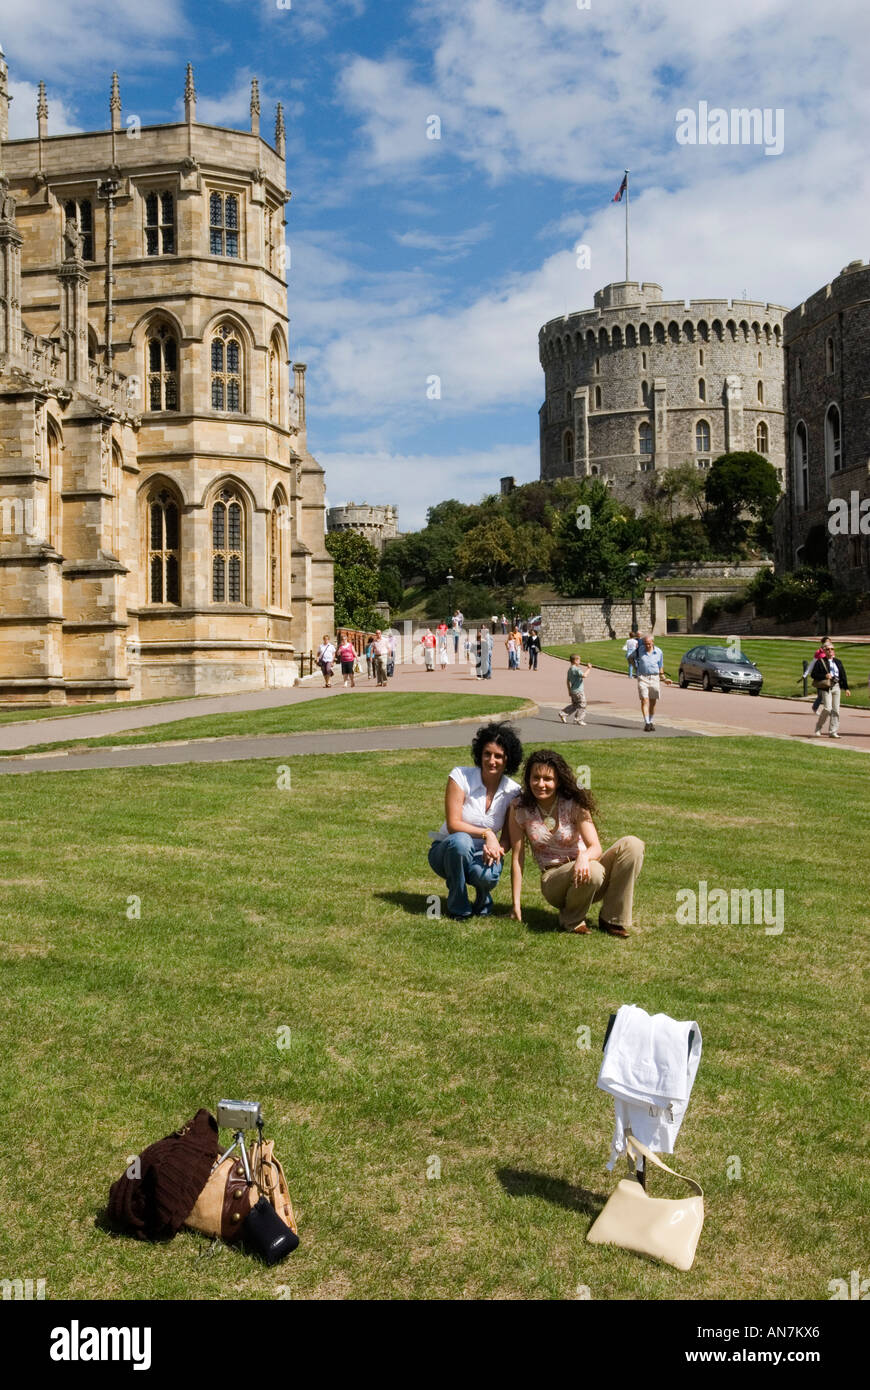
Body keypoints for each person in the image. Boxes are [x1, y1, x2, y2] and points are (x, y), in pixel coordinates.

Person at [507, 748, 643, 937]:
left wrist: (583, 857)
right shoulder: (519, 808)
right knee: (593, 870)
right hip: (554, 879)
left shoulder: (574, 803)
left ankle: (612, 918)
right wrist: (516, 905)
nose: (541, 784)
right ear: (528, 779)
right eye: (535, 777)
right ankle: (572, 919)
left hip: (587, 871)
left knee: (633, 844)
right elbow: (517, 858)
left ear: (558, 781)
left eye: (548, 779)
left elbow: (595, 847)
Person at [428, 722, 524, 919]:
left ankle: (483, 899)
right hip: (447, 850)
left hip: (483, 852)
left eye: (498, 756)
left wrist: (496, 850)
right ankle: (458, 905)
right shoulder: (460, 776)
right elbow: (454, 824)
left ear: (508, 760)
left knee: (487, 875)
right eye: (487, 754)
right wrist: (487, 833)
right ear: (479, 754)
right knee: (461, 842)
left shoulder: (513, 791)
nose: (492, 760)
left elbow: (507, 839)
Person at [810, 638, 850, 738]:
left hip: (836, 686)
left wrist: (846, 688)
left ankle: (833, 731)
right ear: (824, 651)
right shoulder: (820, 662)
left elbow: (843, 675)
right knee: (827, 708)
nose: (830, 651)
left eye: (832, 649)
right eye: (828, 649)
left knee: (836, 710)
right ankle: (818, 727)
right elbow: (814, 674)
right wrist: (824, 676)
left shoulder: (838, 661)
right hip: (826, 687)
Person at [634, 633, 672, 731]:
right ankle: (646, 723)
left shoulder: (659, 652)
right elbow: (630, 658)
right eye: (645, 643)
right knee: (644, 700)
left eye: (649, 644)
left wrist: (664, 679)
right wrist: (636, 669)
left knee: (653, 702)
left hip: (655, 678)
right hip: (643, 678)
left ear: (653, 642)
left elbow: (660, 666)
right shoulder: (639, 650)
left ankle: (650, 721)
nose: (647, 646)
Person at [559, 653, 591, 724]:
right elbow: (584, 675)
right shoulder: (576, 669)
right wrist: (589, 668)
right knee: (583, 705)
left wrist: (569, 691)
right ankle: (579, 719)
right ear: (575, 661)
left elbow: (567, 681)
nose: (580, 661)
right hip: (579, 691)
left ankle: (563, 714)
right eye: (579, 660)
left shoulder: (570, 669)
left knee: (575, 705)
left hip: (573, 690)